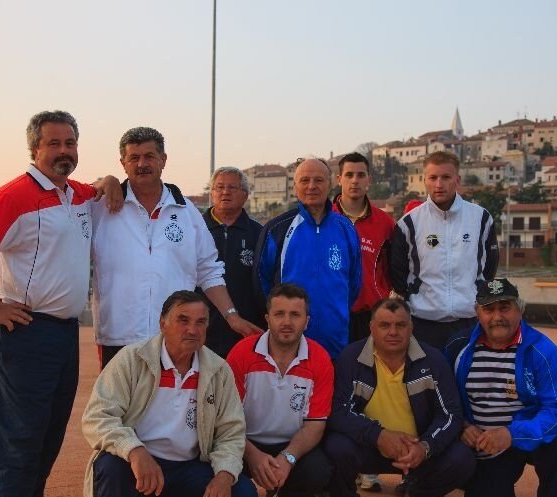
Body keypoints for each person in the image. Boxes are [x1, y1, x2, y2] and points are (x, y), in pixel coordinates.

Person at [0, 110, 122, 497]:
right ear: (35, 149)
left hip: (63, 331)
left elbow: (101, 185)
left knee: (49, 431)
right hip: (24, 331)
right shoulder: (14, 195)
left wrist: (110, 180)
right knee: (21, 434)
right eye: (54, 144)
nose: (64, 151)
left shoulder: (74, 193)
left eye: (70, 143)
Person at [82, 291, 259, 497]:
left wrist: (225, 474)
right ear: (163, 322)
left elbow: (231, 432)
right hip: (137, 468)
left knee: (243, 495)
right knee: (110, 467)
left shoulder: (218, 370)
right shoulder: (131, 359)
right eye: (183, 320)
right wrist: (134, 450)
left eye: (200, 322)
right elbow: (97, 417)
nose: (192, 329)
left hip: (187, 467)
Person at [91, 127, 261, 370]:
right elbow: (67, 204)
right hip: (118, 338)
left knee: (178, 397)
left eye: (149, 156)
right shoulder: (100, 207)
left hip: (175, 340)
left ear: (163, 160)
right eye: (134, 157)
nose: (142, 164)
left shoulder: (186, 212)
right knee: (119, 397)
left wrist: (232, 316)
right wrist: (103, 181)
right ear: (123, 163)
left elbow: (208, 269)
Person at [313, 298, 475, 497]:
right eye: (384, 325)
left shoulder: (433, 359)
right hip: (368, 446)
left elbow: (450, 414)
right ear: (371, 327)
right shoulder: (351, 357)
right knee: (335, 446)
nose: (393, 332)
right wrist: (379, 436)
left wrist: (425, 446)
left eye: (400, 325)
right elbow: (338, 411)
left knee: (462, 457)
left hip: (417, 449)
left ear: (411, 327)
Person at [447, 278, 557, 497]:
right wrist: (462, 425)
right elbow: (445, 399)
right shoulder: (459, 347)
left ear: (519, 309)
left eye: (504, 307)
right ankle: (479, 486)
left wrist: (512, 434)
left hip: (525, 436)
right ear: (477, 313)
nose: (497, 316)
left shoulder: (542, 350)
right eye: (489, 309)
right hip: (486, 446)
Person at [222, 284, 333, 497]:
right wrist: (252, 455)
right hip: (243, 441)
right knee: (214, 458)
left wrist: (288, 458)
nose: (287, 322)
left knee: (319, 469)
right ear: (267, 318)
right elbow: (225, 419)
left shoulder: (320, 358)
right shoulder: (241, 353)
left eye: (295, 315)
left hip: (291, 443)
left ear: (307, 321)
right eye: (279, 314)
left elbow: (315, 424)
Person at [332, 152, 396, 494]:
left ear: (369, 180)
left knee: (370, 388)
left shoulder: (385, 224)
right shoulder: (324, 216)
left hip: (369, 318)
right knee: (334, 387)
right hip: (332, 318)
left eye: (361, 175)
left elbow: (394, 272)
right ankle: (335, 463)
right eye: (349, 175)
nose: (355, 181)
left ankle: (367, 465)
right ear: (339, 179)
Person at [254, 158, 361, 359]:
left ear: (330, 184)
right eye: (304, 180)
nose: (311, 186)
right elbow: (261, 282)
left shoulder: (346, 228)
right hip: (289, 344)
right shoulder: (277, 229)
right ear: (295, 186)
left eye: (319, 180)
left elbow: (354, 283)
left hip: (335, 341)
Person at [390, 151, 499, 350]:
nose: (439, 184)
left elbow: (490, 266)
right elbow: (398, 272)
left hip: (469, 322)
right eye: (433, 178)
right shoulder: (409, 223)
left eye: (446, 177)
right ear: (424, 180)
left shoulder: (481, 218)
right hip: (423, 324)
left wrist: (476, 294)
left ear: (457, 180)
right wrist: (415, 297)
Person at [202, 167, 266, 357]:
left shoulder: (259, 233)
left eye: (232, 187)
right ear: (212, 193)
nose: (225, 192)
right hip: (201, 329)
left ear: (245, 195)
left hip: (245, 330)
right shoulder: (195, 229)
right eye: (219, 187)